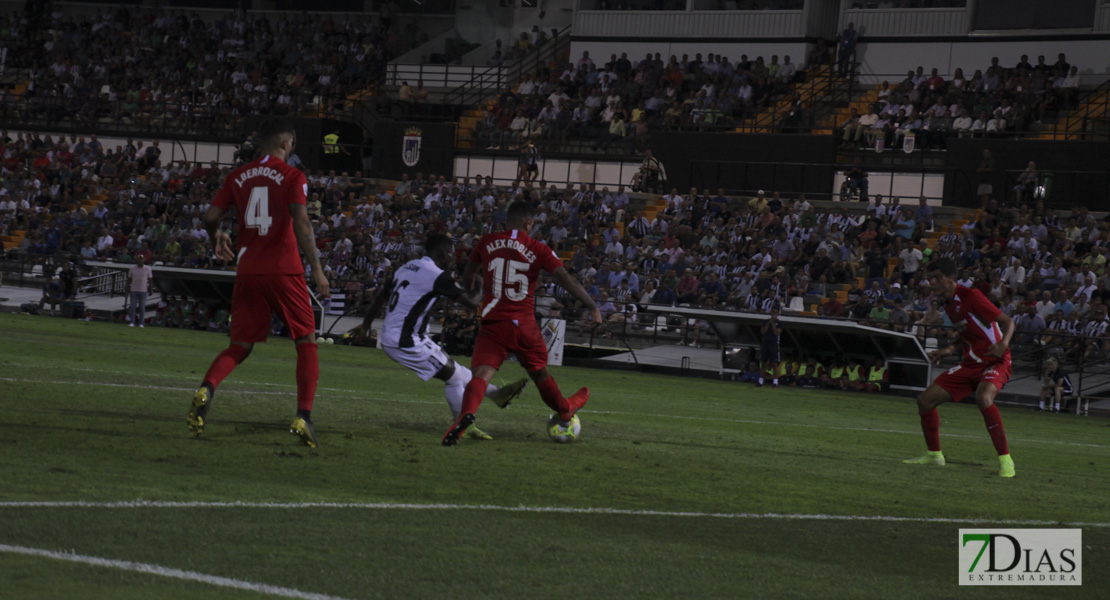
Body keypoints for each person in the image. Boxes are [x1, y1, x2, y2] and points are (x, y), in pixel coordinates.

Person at [189, 118, 330, 448]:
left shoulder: (237, 176)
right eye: (292, 144)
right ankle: (303, 416)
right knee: (306, 341)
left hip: (248, 269)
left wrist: (216, 237)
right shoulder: (293, 175)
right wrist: (318, 268)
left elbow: (210, 217)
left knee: (240, 345)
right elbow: (302, 221)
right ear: (285, 142)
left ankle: (206, 388)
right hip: (284, 269)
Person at [442, 201, 602, 446]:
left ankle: (465, 417)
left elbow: (469, 276)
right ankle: (566, 410)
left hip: (494, 321)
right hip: (524, 324)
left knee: (481, 375)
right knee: (540, 375)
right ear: (529, 223)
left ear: (507, 220)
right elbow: (565, 279)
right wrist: (592, 306)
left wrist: (473, 296)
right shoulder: (538, 248)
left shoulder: (486, 242)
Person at [351, 234, 528, 439]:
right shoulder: (436, 275)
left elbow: (382, 294)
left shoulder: (407, 266)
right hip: (405, 342)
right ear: (442, 254)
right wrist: (480, 286)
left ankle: (497, 394)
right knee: (452, 376)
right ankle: (463, 425)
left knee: (457, 370)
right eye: (452, 254)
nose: (454, 258)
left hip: (409, 337)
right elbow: (472, 303)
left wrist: (366, 324)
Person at [904, 257, 1016, 478]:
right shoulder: (949, 305)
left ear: (951, 279)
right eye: (930, 278)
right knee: (924, 401)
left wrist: (1002, 345)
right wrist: (948, 350)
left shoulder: (971, 296)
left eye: (936, 278)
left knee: (983, 398)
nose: (931, 283)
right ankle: (934, 455)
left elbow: (1008, 322)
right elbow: (967, 335)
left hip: (996, 360)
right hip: (971, 363)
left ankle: (1006, 461)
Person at [758, 304, 782, 387]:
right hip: (765, 344)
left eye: (776, 312)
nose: (774, 313)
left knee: (775, 364)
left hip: (774, 345)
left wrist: (773, 324)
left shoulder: (779, 323)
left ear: (778, 313)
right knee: (763, 363)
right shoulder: (765, 322)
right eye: (773, 312)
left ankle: (775, 382)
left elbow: (776, 332)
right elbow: (762, 332)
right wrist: (768, 324)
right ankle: (760, 381)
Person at [127, 254, 153, 327]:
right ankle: (132, 321)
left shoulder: (148, 269)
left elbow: (150, 279)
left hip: (143, 290)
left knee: (142, 307)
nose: (140, 260)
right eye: (139, 259)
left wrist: (151, 289)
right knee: (133, 307)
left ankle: (141, 322)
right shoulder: (132, 268)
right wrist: (127, 288)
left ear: (144, 260)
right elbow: (129, 279)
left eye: (141, 259)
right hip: (134, 290)